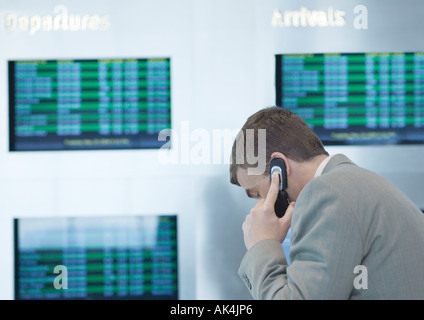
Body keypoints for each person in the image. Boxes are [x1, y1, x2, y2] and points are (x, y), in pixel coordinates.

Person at [229, 106, 424, 299]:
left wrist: (261, 245)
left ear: (278, 169)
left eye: (257, 194)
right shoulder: (353, 184)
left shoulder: (324, 193)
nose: (259, 208)